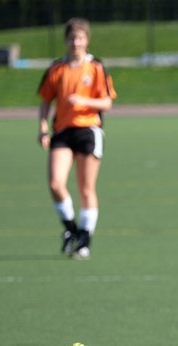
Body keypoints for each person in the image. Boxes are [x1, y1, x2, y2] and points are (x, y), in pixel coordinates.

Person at [37, 17, 117, 260]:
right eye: (72, 38)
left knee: (86, 188)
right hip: (62, 131)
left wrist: (84, 101)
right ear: (66, 41)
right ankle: (73, 229)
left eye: (80, 38)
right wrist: (42, 128)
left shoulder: (96, 67)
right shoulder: (56, 69)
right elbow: (45, 101)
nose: (76, 42)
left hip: (88, 130)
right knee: (55, 183)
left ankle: (85, 241)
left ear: (87, 40)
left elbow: (107, 102)